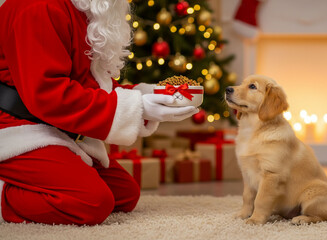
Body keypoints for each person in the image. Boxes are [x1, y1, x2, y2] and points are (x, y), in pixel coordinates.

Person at [0, 0, 199, 225]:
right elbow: (48, 94)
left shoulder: (79, 7)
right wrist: (136, 106)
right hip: (15, 127)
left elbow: (87, 84)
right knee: (91, 202)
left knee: (124, 194)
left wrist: (142, 96)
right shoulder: (37, 6)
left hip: (52, 125)